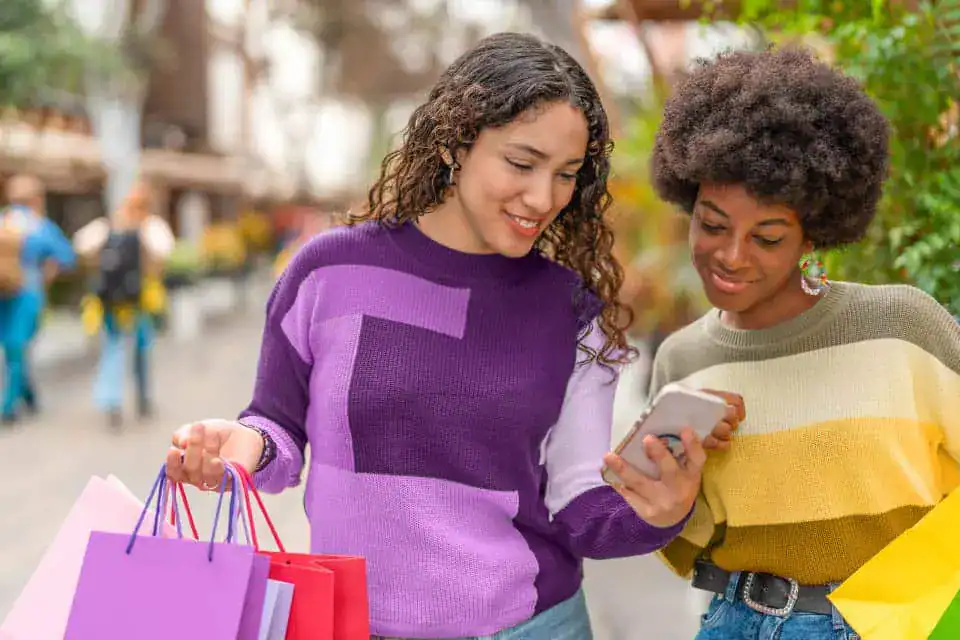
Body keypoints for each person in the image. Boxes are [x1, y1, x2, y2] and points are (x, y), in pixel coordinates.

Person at [165, 32, 738, 640]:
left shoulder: (574, 312)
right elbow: (277, 428)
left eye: (566, 174)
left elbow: (579, 507)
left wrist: (664, 510)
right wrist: (243, 446)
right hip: (349, 626)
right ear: (454, 144)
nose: (543, 198)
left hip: (531, 627)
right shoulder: (328, 273)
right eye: (521, 163)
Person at [646, 47, 960, 639]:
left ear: (812, 233)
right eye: (712, 225)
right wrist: (665, 484)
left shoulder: (900, 327)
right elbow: (684, 540)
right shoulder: (682, 359)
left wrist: (908, 610)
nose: (731, 257)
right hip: (732, 622)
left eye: (767, 237)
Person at [74, 179, 174, 427]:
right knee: (140, 349)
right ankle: (142, 398)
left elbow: (80, 245)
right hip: (140, 299)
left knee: (114, 347)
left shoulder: (107, 226)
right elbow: (166, 251)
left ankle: (113, 400)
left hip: (110, 301)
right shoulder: (151, 226)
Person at [0, 174, 76, 424]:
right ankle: (9, 405)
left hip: (3, 294)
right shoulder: (40, 226)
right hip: (28, 292)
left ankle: (27, 397)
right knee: (18, 348)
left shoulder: (3, 221)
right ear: (36, 198)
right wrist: (46, 275)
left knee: (12, 349)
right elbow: (66, 257)